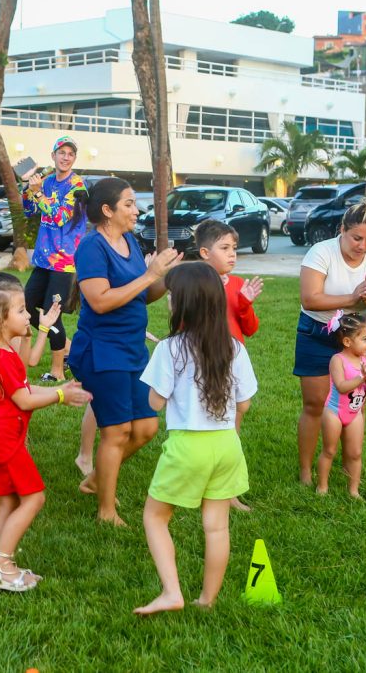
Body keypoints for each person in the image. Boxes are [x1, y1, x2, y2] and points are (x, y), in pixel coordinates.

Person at [134, 262, 257, 615]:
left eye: (172, 296)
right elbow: (244, 402)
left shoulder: (169, 349)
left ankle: (172, 592)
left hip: (188, 447)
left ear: (184, 304)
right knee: (216, 527)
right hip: (227, 446)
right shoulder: (234, 348)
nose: (169, 302)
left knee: (155, 517)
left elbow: (155, 402)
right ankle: (207, 600)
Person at [68, 178, 182, 526]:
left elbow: (143, 295)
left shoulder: (129, 241)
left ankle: (96, 479)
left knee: (146, 427)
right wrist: (149, 275)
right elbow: (100, 302)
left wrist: (165, 276)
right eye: (130, 204)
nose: (137, 210)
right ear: (107, 210)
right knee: (116, 432)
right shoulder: (92, 247)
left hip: (132, 348)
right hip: (102, 351)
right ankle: (106, 511)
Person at [0, 287, 91, 592]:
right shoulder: (2, 357)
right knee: (34, 497)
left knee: (7, 500)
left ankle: (3, 567)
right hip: (4, 439)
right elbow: (24, 400)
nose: (28, 315)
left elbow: (24, 391)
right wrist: (60, 395)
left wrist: (62, 391)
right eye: (20, 311)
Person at [295, 197, 366, 487]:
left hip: (359, 337)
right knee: (315, 404)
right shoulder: (321, 252)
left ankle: (348, 468)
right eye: (356, 238)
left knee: (355, 403)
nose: (362, 246)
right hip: (318, 331)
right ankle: (305, 471)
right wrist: (353, 297)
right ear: (342, 229)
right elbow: (310, 298)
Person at [194, 219, 264, 512]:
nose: (232, 254)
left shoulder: (237, 284)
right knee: (205, 425)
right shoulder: (196, 283)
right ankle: (200, 482)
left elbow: (250, 329)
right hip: (206, 365)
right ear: (205, 253)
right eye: (224, 248)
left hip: (234, 364)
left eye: (234, 248)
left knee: (233, 424)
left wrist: (245, 304)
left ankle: (228, 491)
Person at [21, 135, 89, 381]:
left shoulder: (78, 187)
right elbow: (29, 210)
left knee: (53, 313)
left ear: (74, 158)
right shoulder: (47, 181)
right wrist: (28, 187)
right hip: (43, 259)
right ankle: (69, 348)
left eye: (71, 153)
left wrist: (39, 195)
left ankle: (58, 371)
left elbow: (61, 217)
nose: (66, 157)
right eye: (62, 152)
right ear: (53, 156)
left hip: (64, 261)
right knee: (26, 306)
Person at [316, 312, 366, 499]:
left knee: (355, 453)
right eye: (365, 339)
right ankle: (322, 486)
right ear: (347, 342)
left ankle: (353, 490)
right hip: (334, 412)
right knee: (329, 450)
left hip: (355, 413)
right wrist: (360, 378)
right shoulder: (338, 360)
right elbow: (342, 387)